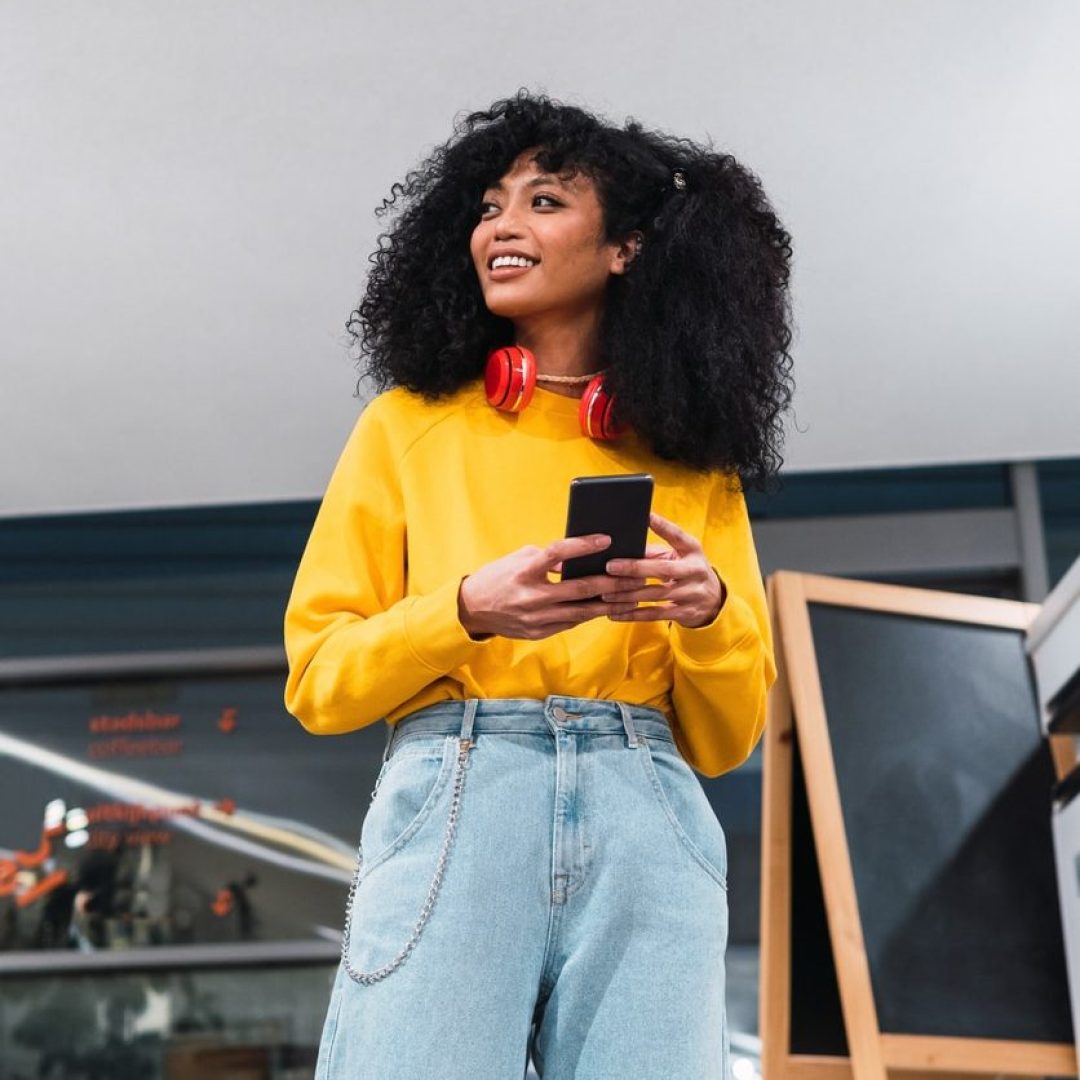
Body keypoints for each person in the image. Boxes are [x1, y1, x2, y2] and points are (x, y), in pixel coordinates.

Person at [283, 89, 793, 1080]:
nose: (502, 226)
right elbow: (318, 679)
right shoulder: (406, 426)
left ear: (626, 250)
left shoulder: (692, 461)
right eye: (488, 206)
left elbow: (728, 740)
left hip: (648, 805)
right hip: (462, 790)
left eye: (544, 202)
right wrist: (467, 611)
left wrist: (710, 614)